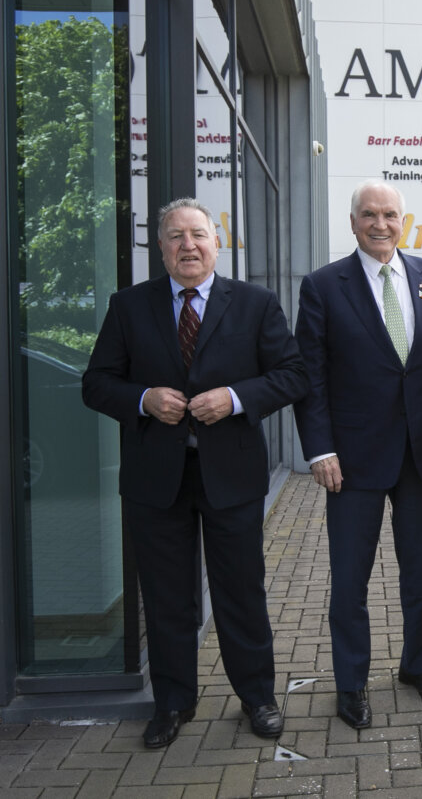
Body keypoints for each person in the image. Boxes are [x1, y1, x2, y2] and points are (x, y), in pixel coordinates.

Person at [82, 197, 306, 748]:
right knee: (167, 598)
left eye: (198, 234)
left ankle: (258, 696)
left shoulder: (255, 303)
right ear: (159, 248)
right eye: (176, 236)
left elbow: (293, 374)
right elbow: (96, 383)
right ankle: (173, 703)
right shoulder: (128, 306)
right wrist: (142, 399)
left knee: (241, 594)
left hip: (230, 476)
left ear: (216, 241)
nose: (188, 245)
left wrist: (233, 398)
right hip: (155, 480)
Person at [294, 180, 422, 729]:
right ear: (353, 221)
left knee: (420, 570)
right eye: (370, 214)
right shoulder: (322, 286)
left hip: (421, 455)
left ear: (402, 221)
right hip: (353, 460)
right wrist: (319, 449)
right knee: (350, 578)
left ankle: (416, 666)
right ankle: (351, 682)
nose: (380, 224)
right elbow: (311, 377)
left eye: (390, 214)